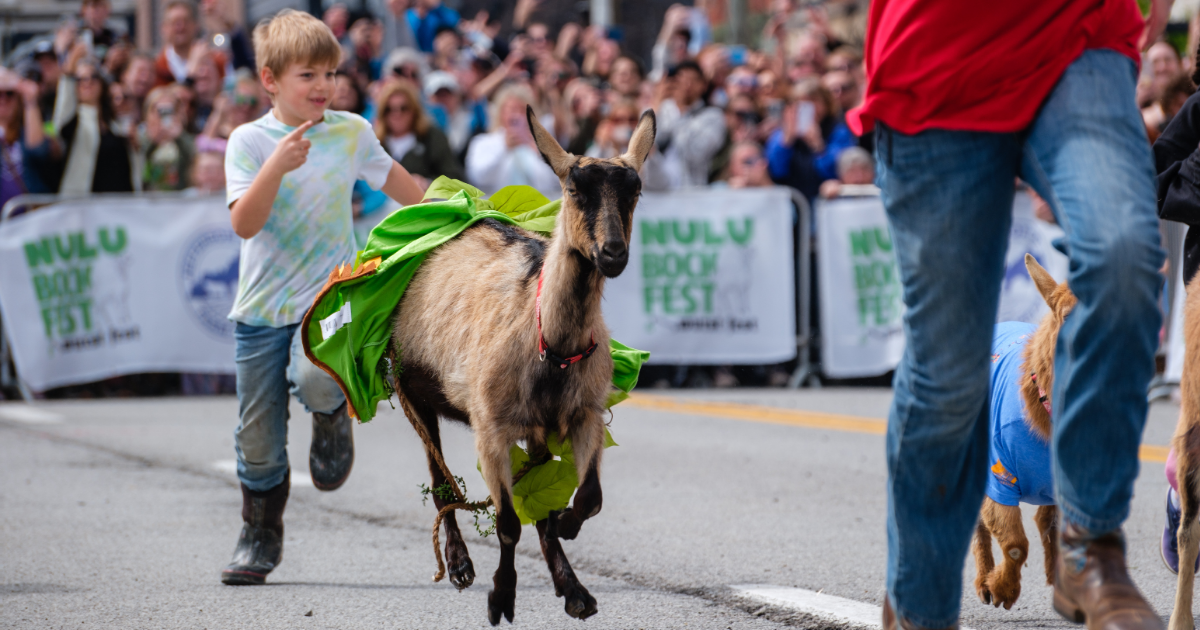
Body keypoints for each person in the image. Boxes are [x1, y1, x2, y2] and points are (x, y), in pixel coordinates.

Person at [848, 0, 1171, 625]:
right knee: (947, 373)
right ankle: (917, 599)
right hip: (937, 56)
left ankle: (1089, 545)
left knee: (1126, 259)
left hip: (1079, 42)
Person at [219, 8, 424, 586]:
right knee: (257, 440)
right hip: (260, 314)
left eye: (330, 74)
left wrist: (455, 218)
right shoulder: (250, 141)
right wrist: (277, 167)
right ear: (270, 80)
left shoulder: (352, 132)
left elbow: (400, 186)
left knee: (317, 380)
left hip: (328, 303)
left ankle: (332, 416)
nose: (323, 87)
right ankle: (260, 534)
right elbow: (244, 224)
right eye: (307, 75)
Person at [53, 44, 136, 194]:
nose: (88, 82)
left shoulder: (115, 124)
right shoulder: (74, 121)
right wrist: (68, 71)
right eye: (80, 79)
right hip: (82, 206)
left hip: (119, 206)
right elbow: (61, 119)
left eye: (93, 77)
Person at [765, 78, 855, 200]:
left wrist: (818, 146)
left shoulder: (838, 131)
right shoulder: (782, 133)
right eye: (801, 103)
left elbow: (838, 170)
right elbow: (776, 170)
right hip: (792, 203)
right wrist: (786, 141)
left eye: (813, 101)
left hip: (826, 201)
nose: (808, 108)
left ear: (826, 104)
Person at [464, 83, 558, 197]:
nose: (517, 115)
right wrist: (504, 147)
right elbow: (478, 178)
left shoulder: (544, 144)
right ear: (501, 113)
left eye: (522, 110)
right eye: (512, 109)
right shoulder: (482, 142)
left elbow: (556, 182)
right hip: (497, 207)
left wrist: (538, 152)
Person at [375, 79, 464, 188]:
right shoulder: (376, 143)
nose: (396, 114)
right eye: (389, 109)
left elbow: (455, 177)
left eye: (403, 108)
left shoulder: (432, 137)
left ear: (414, 110)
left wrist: (428, 183)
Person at [655, 60, 726, 188]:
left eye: (693, 80)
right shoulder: (660, 110)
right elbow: (647, 147)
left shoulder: (713, 116)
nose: (687, 85)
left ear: (703, 86)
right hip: (656, 191)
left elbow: (697, 155)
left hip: (691, 192)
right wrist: (656, 105)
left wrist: (682, 111)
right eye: (681, 79)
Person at [0, 69, 54, 210]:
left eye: (9, 93)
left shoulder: (27, 131)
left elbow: (38, 151)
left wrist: (30, 100)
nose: (3, 99)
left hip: (30, 224)